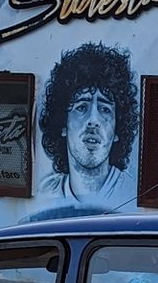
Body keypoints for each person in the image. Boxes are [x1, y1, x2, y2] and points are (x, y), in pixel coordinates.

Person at [37, 42, 137, 209]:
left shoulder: (132, 197)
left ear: (117, 130)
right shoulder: (45, 193)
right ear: (62, 124)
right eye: (82, 107)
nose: (93, 121)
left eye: (104, 109)